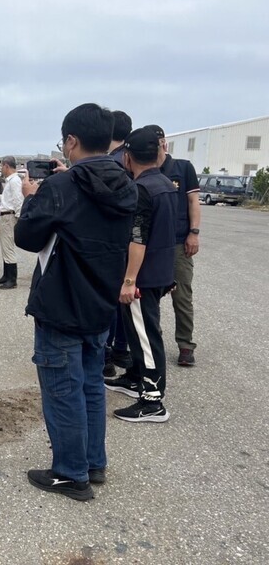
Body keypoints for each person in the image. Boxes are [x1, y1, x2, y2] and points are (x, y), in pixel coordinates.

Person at [14, 103, 137, 501]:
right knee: (90, 386)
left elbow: (27, 238)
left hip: (62, 304)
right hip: (100, 303)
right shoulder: (126, 184)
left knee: (63, 389)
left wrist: (33, 197)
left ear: (72, 140)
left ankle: (70, 473)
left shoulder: (62, 187)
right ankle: (93, 462)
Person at [104, 128, 177, 423]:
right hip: (159, 270)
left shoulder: (142, 189)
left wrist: (129, 279)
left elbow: (138, 238)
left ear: (127, 156)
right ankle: (135, 377)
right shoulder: (165, 184)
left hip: (143, 277)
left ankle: (152, 400)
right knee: (138, 331)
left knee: (146, 335)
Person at [145, 124, 201, 366]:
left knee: (182, 295)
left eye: (158, 143)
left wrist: (194, 233)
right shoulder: (143, 169)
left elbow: (193, 202)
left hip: (179, 242)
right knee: (149, 296)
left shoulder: (182, 168)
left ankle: (185, 344)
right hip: (150, 245)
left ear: (164, 143)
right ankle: (151, 340)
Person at [104, 110, 134, 376]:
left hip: (114, 242)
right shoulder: (134, 159)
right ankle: (122, 349)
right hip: (133, 241)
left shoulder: (111, 163)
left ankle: (105, 354)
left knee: (111, 298)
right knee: (125, 299)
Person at [0, 156, 23, 289]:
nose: (1, 169)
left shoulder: (14, 181)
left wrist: (18, 218)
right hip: (5, 216)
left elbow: (18, 201)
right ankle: (6, 275)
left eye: (1, 167)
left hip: (9, 217)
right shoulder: (10, 181)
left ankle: (12, 279)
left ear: (6, 166)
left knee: (8, 247)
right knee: (5, 247)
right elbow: (6, 200)